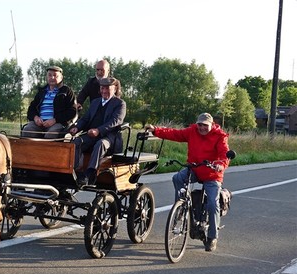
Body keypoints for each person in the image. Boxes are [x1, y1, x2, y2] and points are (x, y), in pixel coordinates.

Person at [144, 113, 230, 252]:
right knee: (177, 178)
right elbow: (175, 134)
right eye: (199, 124)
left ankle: (212, 237)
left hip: (212, 173)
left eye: (205, 125)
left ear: (212, 125)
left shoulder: (220, 136)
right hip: (195, 168)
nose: (201, 127)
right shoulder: (192, 131)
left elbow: (224, 153)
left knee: (213, 204)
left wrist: (221, 163)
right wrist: (156, 130)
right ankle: (181, 206)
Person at [69, 77, 126, 185]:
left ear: (115, 88)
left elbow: (115, 121)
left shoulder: (120, 104)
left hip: (109, 137)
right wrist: (77, 128)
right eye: (102, 88)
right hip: (91, 135)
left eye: (107, 89)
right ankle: (74, 171)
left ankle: (89, 173)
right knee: (76, 142)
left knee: (100, 144)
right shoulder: (95, 102)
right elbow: (85, 119)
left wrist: (98, 131)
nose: (104, 91)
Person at [23, 66, 77, 139]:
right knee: (27, 130)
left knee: (52, 134)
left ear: (61, 77)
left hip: (57, 123)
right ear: (46, 77)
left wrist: (55, 120)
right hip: (39, 124)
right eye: (50, 75)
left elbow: (72, 111)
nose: (52, 77)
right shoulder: (41, 91)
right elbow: (31, 109)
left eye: (55, 75)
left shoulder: (67, 92)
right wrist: (35, 118)